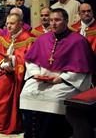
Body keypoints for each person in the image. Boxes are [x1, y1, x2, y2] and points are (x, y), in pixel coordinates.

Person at [20, 8, 94, 138]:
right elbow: (31, 61)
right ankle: (31, 134)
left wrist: (61, 78)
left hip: (66, 81)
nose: (53, 23)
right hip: (41, 78)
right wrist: (36, 74)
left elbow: (83, 70)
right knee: (27, 92)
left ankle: (51, 134)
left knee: (54, 98)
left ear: (66, 21)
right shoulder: (42, 39)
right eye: (51, 20)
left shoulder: (78, 41)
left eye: (57, 20)